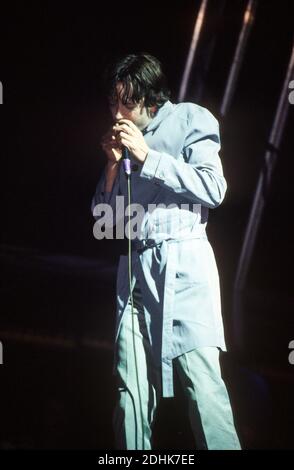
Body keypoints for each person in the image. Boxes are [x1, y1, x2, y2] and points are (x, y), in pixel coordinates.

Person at [91, 52, 241, 450]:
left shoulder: (192, 119)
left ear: (150, 99)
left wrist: (147, 157)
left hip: (183, 265)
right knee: (130, 387)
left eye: (126, 101)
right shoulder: (120, 146)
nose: (116, 111)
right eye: (112, 101)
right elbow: (105, 223)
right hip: (134, 267)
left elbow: (214, 189)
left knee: (200, 382)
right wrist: (110, 167)